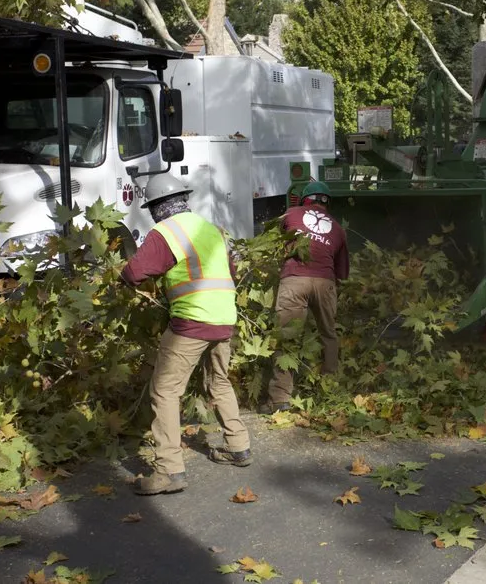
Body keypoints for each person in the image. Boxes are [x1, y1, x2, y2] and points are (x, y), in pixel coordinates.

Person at [121, 173, 251, 495]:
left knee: (165, 391)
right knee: (218, 381)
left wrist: (122, 278)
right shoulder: (212, 229)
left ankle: (169, 471)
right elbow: (231, 271)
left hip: (192, 322)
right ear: (183, 199)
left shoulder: (166, 232)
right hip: (225, 318)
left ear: (157, 207)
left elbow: (135, 273)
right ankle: (238, 446)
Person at [262, 181, 349, 414]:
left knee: (288, 336)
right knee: (328, 334)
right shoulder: (338, 229)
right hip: (325, 282)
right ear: (327, 203)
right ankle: (329, 389)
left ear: (304, 200)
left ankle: (280, 399)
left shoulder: (291, 214)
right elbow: (342, 274)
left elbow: (272, 241)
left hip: (294, 279)